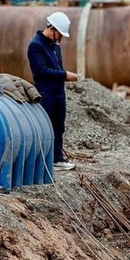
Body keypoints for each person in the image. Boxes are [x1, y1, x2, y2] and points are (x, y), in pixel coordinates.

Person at [27, 11, 79, 170]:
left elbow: (56, 67)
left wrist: (63, 76)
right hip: (46, 93)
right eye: (60, 34)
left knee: (58, 126)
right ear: (52, 29)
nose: (60, 38)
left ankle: (57, 159)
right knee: (45, 127)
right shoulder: (36, 46)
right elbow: (41, 71)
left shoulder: (55, 46)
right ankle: (42, 159)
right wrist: (64, 75)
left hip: (58, 92)